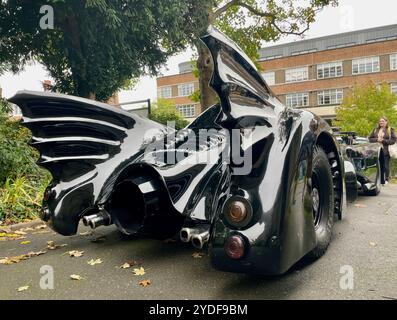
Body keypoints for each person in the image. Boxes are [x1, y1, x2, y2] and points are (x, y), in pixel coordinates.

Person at [368, 117, 396, 185]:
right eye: (380, 121)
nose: (381, 122)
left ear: (386, 122)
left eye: (383, 121)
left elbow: (393, 140)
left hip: (386, 151)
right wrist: (377, 139)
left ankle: (386, 179)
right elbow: (370, 138)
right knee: (377, 166)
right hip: (376, 151)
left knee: (385, 166)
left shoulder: (390, 130)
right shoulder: (375, 129)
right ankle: (378, 180)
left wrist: (383, 140)